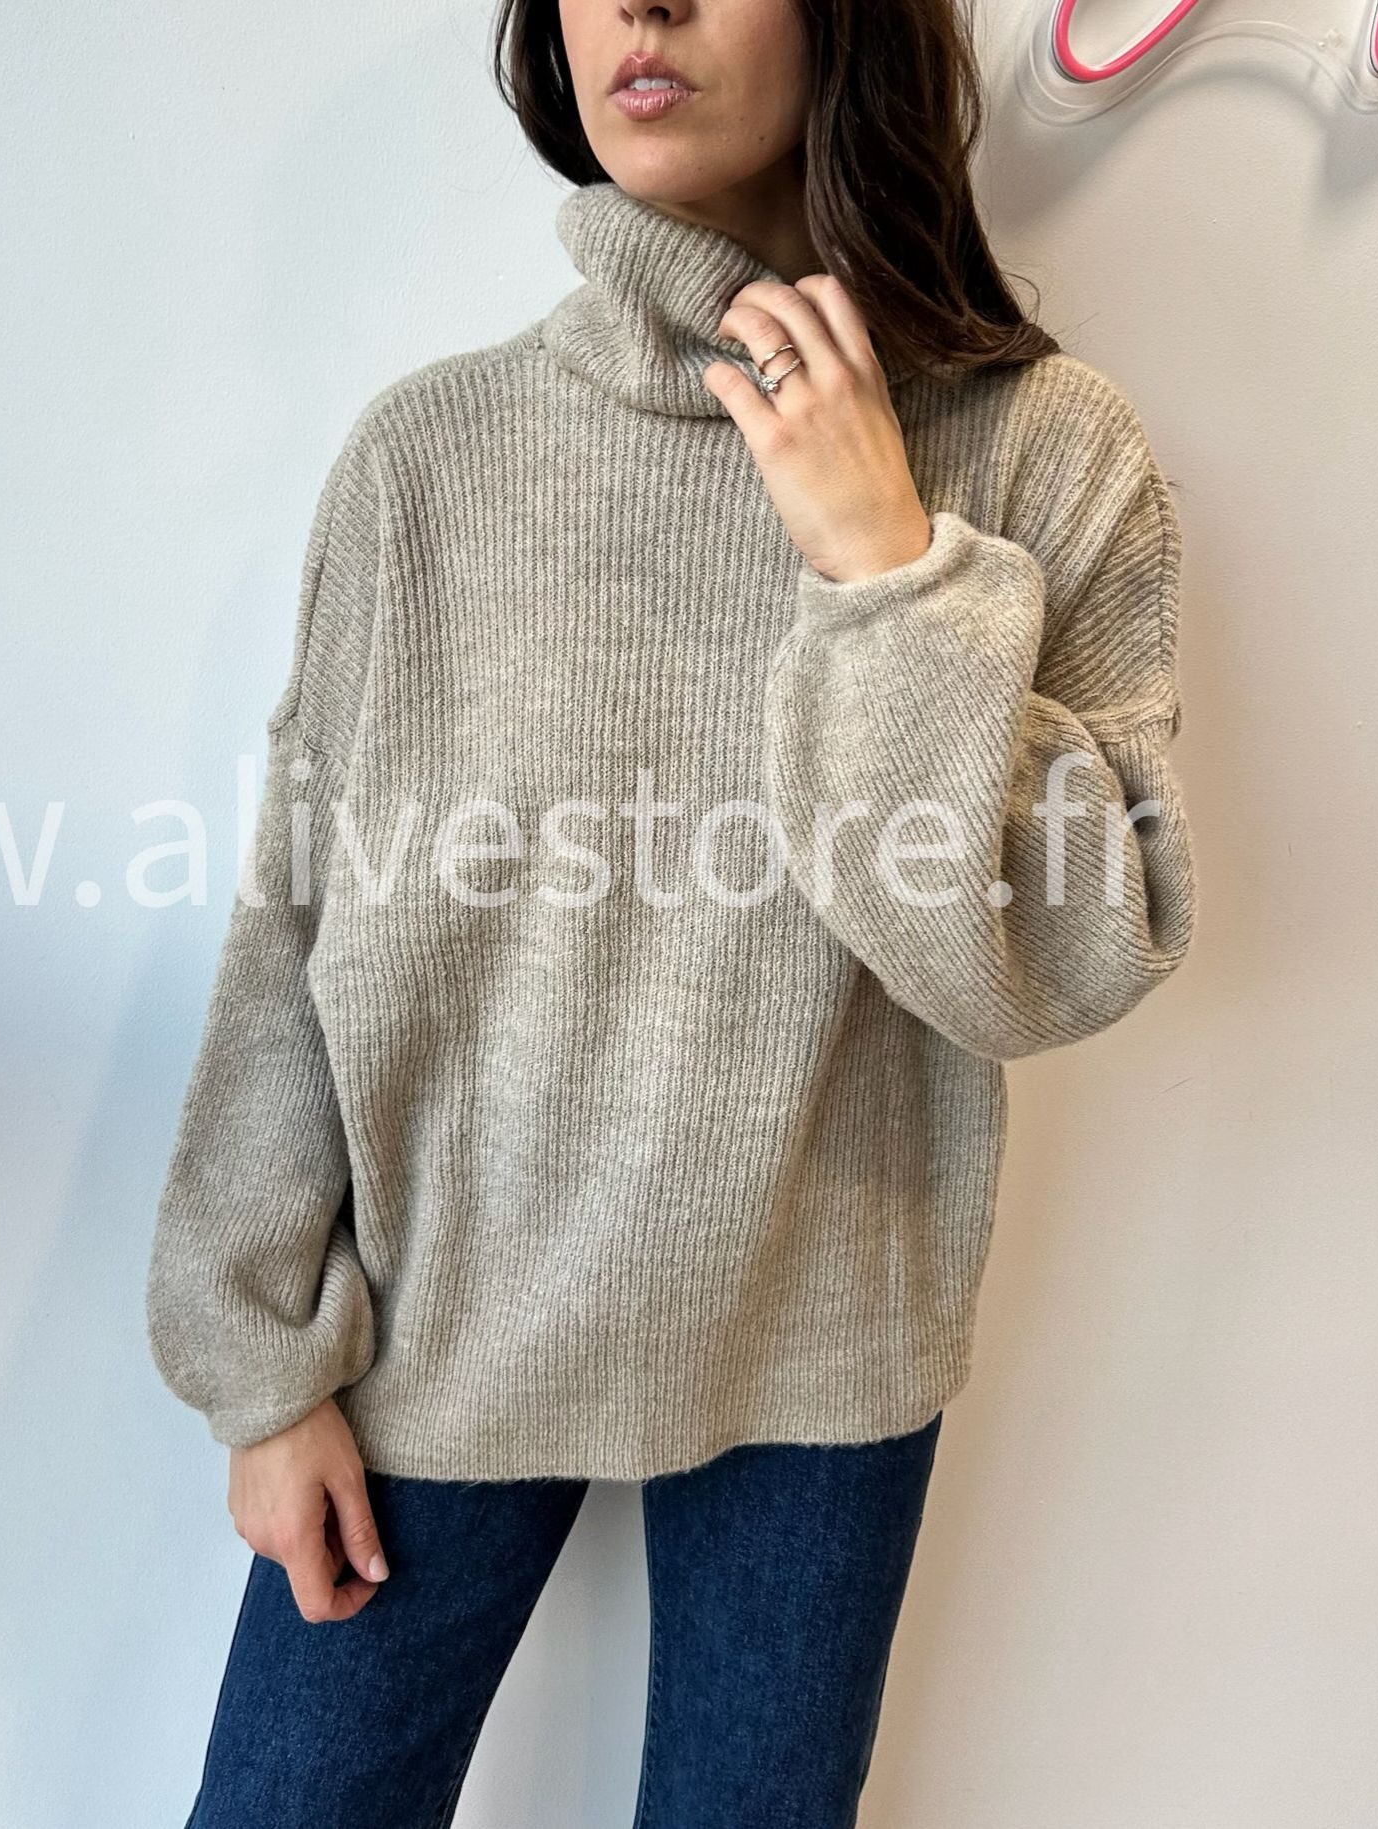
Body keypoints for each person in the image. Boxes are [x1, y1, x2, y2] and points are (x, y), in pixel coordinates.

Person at [146, 0, 1199, 1821]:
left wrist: (890, 572)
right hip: (442, 1318)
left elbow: (1060, 957)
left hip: (827, 1336)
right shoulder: (432, 458)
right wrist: (259, 1362)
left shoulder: (1038, 448)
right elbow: (301, 925)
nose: (639, 6)